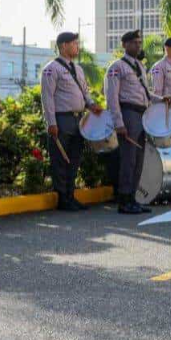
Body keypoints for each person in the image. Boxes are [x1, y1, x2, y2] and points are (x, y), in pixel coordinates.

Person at [41, 31, 103, 211]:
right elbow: (47, 98)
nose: (78, 46)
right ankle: (63, 198)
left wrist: (91, 105)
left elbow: (85, 92)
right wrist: (51, 123)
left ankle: (70, 195)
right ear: (63, 46)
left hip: (78, 120)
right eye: (74, 43)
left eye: (77, 43)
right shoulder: (51, 69)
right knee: (61, 160)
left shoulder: (78, 69)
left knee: (74, 159)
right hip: (61, 119)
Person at [106, 30, 153, 214]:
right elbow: (111, 97)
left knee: (139, 160)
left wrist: (159, 98)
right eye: (133, 42)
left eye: (139, 42)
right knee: (128, 160)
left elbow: (144, 92)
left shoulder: (140, 66)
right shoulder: (117, 67)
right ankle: (124, 200)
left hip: (142, 115)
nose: (137, 45)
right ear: (124, 45)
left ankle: (133, 198)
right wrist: (118, 122)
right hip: (128, 114)